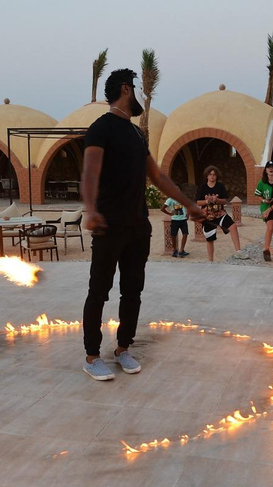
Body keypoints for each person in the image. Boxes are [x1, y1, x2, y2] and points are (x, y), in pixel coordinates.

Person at [81, 68, 204, 381]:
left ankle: (123, 348)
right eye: (134, 88)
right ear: (126, 88)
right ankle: (93, 356)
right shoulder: (100, 129)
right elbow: (91, 173)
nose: (137, 95)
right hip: (109, 226)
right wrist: (90, 209)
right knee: (99, 291)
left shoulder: (137, 134)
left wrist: (189, 204)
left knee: (132, 291)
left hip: (138, 227)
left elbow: (158, 176)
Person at [196, 166, 248, 261]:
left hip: (220, 213)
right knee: (210, 239)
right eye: (210, 174)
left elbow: (225, 201)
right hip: (208, 216)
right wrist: (207, 201)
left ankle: (238, 251)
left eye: (214, 174)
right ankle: (210, 260)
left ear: (216, 176)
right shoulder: (203, 187)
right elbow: (198, 202)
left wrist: (217, 200)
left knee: (233, 226)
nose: (212, 176)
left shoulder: (220, 186)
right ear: (207, 176)